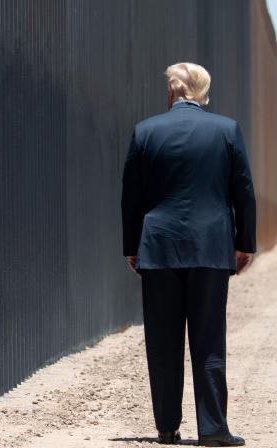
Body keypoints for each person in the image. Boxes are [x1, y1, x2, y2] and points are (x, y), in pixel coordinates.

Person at [121, 62, 256, 446]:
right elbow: (242, 190)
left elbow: (130, 197)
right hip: (211, 248)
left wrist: (132, 248)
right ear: (203, 93)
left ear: (171, 92)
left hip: (159, 247)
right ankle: (213, 429)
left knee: (163, 340)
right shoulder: (226, 130)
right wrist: (243, 242)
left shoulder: (145, 132)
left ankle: (167, 427)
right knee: (209, 337)